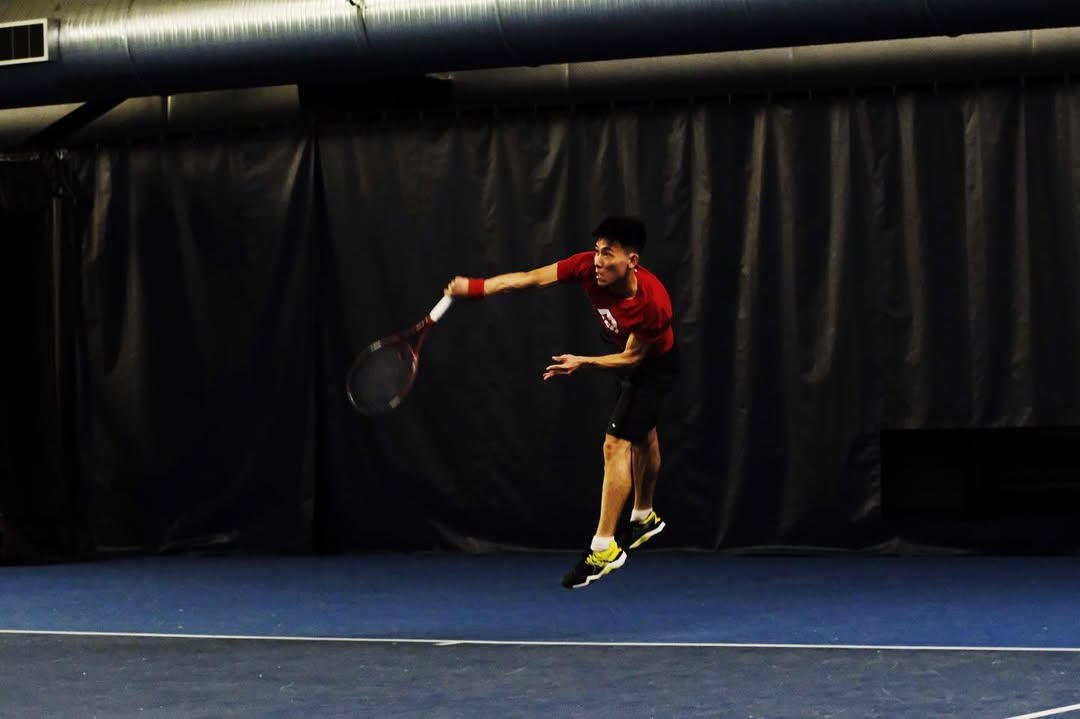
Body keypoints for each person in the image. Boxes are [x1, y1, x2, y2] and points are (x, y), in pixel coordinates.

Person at [445, 215, 680, 589]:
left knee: (616, 443)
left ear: (632, 261)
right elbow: (528, 279)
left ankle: (604, 548)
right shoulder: (586, 267)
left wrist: (583, 362)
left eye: (609, 254)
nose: (599, 261)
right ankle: (644, 516)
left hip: (652, 366)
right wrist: (474, 288)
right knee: (642, 433)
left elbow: (634, 359)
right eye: (598, 251)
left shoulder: (652, 303)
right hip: (623, 358)